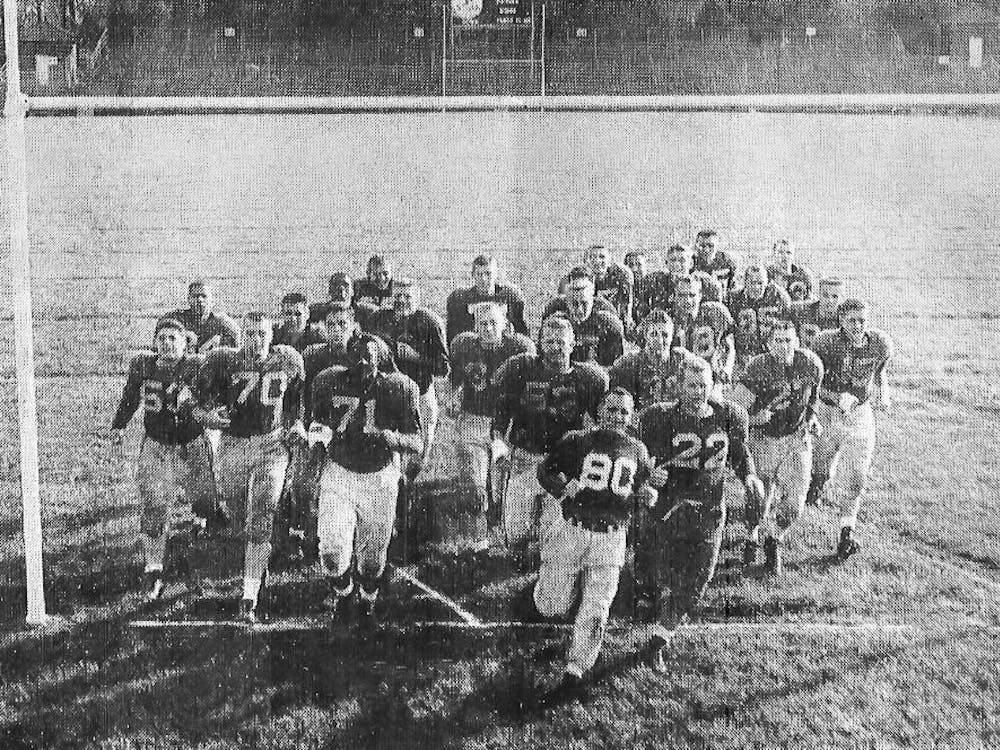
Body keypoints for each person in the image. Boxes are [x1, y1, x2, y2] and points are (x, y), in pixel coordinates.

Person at [636, 357, 764, 673]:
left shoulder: (729, 415)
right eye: (692, 385)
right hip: (668, 507)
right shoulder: (659, 417)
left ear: (712, 385)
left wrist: (749, 477)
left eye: (703, 385)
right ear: (679, 386)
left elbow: (740, 453)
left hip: (709, 509)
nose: (698, 392)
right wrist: (649, 476)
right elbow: (639, 458)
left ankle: (659, 638)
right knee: (663, 575)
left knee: (698, 581)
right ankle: (654, 607)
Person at [532, 388, 654, 703]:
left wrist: (646, 495)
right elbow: (545, 470)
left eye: (624, 412)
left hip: (611, 536)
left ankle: (575, 671)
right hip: (572, 529)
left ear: (632, 417)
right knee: (551, 606)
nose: (617, 417)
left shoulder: (637, 450)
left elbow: (638, 487)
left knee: (598, 609)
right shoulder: (577, 440)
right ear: (599, 410)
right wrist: (562, 487)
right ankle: (561, 592)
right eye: (612, 410)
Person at [192, 312, 306, 624]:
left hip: (271, 444)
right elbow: (194, 402)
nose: (256, 341)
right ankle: (260, 557)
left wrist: (296, 425)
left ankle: (249, 594)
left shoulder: (288, 360)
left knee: (261, 515)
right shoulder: (223, 360)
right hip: (233, 444)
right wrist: (208, 418)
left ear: (272, 336)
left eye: (261, 334)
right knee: (237, 511)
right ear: (242, 336)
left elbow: (297, 403)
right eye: (250, 334)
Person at [306, 336, 422, 624]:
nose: (362, 362)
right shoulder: (329, 381)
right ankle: (345, 596)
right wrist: (315, 444)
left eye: (368, 356)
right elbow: (317, 424)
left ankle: (368, 602)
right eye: (356, 355)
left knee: (372, 560)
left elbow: (416, 441)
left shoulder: (398, 387)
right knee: (331, 551)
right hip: (340, 472)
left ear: (380, 359)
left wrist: (392, 438)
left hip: (379, 476)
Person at [111, 318, 216, 600]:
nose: (167, 343)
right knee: (154, 505)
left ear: (185, 344)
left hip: (192, 444)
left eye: (173, 338)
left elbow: (214, 398)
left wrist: (196, 401)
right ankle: (153, 568)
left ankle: (204, 522)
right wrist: (119, 425)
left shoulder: (197, 365)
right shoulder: (143, 365)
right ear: (155, 342)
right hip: (157, 444)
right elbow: (130, 397)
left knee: (205, 503)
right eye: (162, 338)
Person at [492, 314, 608, 547]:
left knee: (554, 535)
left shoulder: (587, 378)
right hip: (525, 457)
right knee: (515, 533)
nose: (555, 347)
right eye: (549, 342)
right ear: (540, 343)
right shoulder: (522, 368)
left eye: (560, 342)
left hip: (562, 463)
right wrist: (500, 449)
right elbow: (500, 415)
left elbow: (602, 424)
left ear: (572, 344)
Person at [729, 320, 824, 574]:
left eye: (788, 340)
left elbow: (813, 398)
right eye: (778, 341)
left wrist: (812, 419)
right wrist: (754, 418)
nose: (784, 346)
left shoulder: (810, 364)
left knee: (795, 502)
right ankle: (752, 535)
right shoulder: (757, 367)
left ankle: (774, 538)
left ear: (797, 342)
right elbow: (735, 410)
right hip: (764, 438)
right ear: (768, 344)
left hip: (795, 438)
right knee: (759, 497)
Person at [809, 299, 892, 557]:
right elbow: (810, 384)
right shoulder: (825, 343)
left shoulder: (879, 343)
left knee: (857, 475)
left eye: (862, 320)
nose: (857, 326)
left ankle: (847, 533)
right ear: (840, 321)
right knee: (821, 468)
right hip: (828, 412)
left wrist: (883, 393)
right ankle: (817, 484)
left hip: (859, 413)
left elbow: (879, 373)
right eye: (851, 321)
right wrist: (836, 397)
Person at [448, 302, 535, 548]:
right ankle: (479, 541)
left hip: (506, 425)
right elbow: (455, 378)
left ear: (505, 325)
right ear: (475, 327)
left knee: (501, 485)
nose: (487, 329)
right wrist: (454, 395)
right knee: (474, 484)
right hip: (474, 419)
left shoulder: (519, 350)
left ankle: (504, 531)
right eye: (482, 324)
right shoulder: (464, 345)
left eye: (492, 323)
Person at [367, 278, 450, 478]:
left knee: (418, 456)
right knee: (389, 452)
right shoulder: (380, 319)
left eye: (407, 296)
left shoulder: (429, 322)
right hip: (389, 395)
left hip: (420, 393)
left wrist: (417, 357)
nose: (402, 301)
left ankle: (411, 487)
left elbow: (443, 368)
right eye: (398, 296)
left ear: (417, 299)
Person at [608, 310, 695, 414]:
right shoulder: (628, 364)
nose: (660, 340)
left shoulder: (684, 360)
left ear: (672, 337)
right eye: (654, 334)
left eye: (665, 335)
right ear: (646, 336)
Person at [445, 254, 528, 344]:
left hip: (504, 347)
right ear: (473, 275)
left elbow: (522, 331)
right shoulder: (461, 299)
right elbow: (453, 334)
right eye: (479, 274)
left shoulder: (509, 296)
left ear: (496, 274)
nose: (483, 279)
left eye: (488, 273)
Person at [635, 244, 723, 330]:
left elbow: (716, 312)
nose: (676, 265)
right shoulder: (656, 280)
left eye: (682, 260)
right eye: (673, 260)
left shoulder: (705, 283)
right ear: (666, 263)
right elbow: (642, 309)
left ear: (691, 263)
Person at [671, 274, 735, 390]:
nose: (687, 300)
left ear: (700, 295)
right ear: (674, 296)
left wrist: (727, 369)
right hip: (684, 381)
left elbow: (729, 345)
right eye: (682, 295)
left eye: (692, 295)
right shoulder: (670, 319)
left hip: (713, 378)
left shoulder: (714, 312)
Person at [726, 264, 792, 376]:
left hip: (772, 355)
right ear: (745, 283)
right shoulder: (734, 299)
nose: (756, 287)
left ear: (767, 282)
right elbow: (730, 333)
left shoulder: (779, 297)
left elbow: (788, 329)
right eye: (752, 283)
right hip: (744, 355)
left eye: (760, 283)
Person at [558, 267, 625, 368]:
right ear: (566, 299)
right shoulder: (556, 311)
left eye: (584, 303)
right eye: (574, 304)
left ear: (592, 296)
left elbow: (616, 365)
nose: (580, 310)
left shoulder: (608, 319)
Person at [161, 279, 241, 353]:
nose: (200, 300)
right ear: (188, 299)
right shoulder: (176, 318)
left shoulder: (222, 322)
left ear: (211, 300)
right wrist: (183, 336)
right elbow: (158, 340)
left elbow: (237, 348)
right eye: (195, 296)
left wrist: (219, 343)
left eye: (204, 296)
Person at [582, 244, 633, 327]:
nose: (597, 261)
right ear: (585, 262)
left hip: (616, 321)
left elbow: (627, 304)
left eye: (602, 257)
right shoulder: (581, 279)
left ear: (609, 261)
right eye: (592, 257)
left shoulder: (620, 275)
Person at [792, 277, 845, 352]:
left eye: (835, 296)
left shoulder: (846, 319)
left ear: (842, 298)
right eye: (825, 295)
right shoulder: (800, 311)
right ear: (819, 294)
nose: (830, 300)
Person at [308, 272, 376, 330]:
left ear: (352, 291)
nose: (341, 288)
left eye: (345, 285)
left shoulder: (366, 313)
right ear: (329, 290)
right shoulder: (316, 312)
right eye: (335, 284)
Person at [692, 229, 738, 300]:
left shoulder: (726, 261)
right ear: (696, 246)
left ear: (717, 245)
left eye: (711, 246)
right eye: (702, 246)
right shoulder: (691, 262)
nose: (706, 250)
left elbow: (732, 288)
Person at [767, 239, 815, 303]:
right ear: (774, 255)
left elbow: (810, 300)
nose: (785, 256)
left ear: (793, 255)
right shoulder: (767, 274)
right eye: (780, 252)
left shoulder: (804, 274)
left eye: (788, 253)